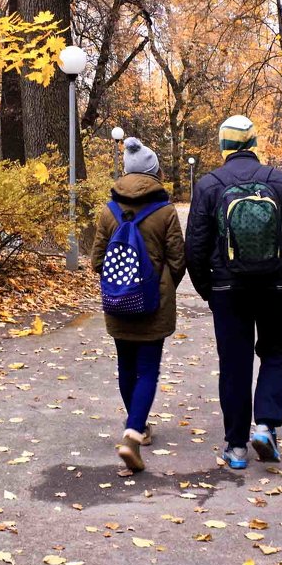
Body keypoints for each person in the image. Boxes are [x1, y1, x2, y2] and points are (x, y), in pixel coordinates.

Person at [185, 115, 282, 470]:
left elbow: (195, 247)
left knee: (234, 364)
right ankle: (266, 426)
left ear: (224, 146)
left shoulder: (209, 185)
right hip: (278, 286)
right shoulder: (281, 181)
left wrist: (208, 291)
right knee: (275, 353)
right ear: (255, 144)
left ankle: (236, 448)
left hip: (228, 289)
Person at [91, 137, 186, 472]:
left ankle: (139, 425)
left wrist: (118, 284)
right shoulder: (164, 211)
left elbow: (97, 259)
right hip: (153, 303)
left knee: (126, 366)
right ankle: (133, 433)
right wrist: (162, 288)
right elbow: (177, 259)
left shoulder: (109, 210)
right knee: (148, 368)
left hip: (118, 300)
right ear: (154, 171)